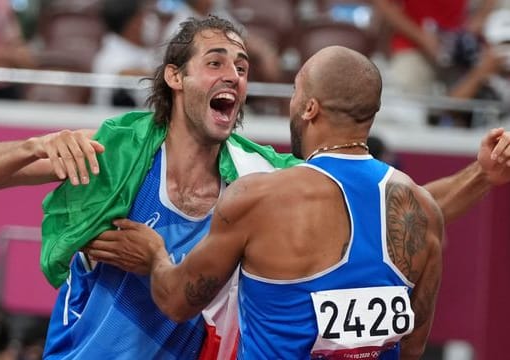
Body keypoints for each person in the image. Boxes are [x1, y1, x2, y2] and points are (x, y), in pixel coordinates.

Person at [0, 14, 510, 360]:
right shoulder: (114, 150)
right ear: (175, 78)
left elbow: (393, 210)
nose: (234, 74)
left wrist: (479, 177)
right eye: (216, 61)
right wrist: (34, 147)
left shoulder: (258, 174)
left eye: (244, 65)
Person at [91, 45, 444, 359]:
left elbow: (178, 301)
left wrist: (155, 256)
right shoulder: (424, 207)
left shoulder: (260, 198)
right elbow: (412, 345)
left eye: (295, 93)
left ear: (309, 108)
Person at [373, 0, 496, 95]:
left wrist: (480, 18)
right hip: (412, 49)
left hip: (458, 51)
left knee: (465, 108)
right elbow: (384, 4)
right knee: (406, 110)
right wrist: (421, 37)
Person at [91, 0, 163, 107]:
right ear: (132, 24)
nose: (150, 20)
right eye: (143, 16)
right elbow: (123, 73)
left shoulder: (141, 49)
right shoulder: (111, 57)